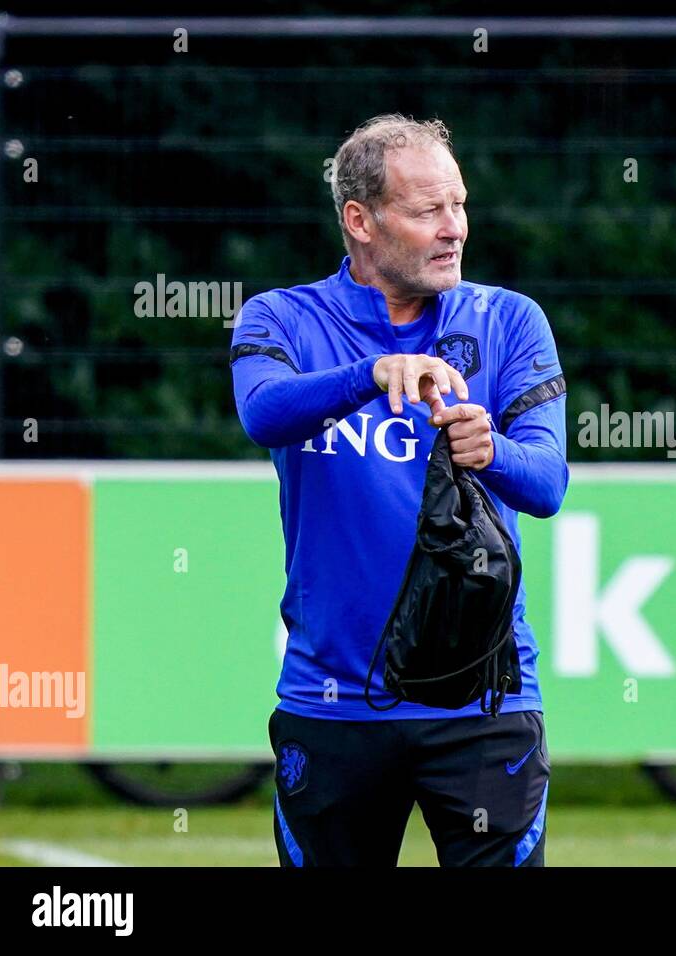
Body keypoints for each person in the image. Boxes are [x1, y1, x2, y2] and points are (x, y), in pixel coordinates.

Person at [230, 115, 567, 866]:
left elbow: (547, 483)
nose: (455, 229)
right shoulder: (281, 317)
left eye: (460, 204)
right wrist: (370, 374)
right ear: (360, 220)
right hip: (332, 701)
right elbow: (263, 413)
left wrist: (494, 452)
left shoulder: (510, 320)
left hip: (485, 705)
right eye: (427, 211)